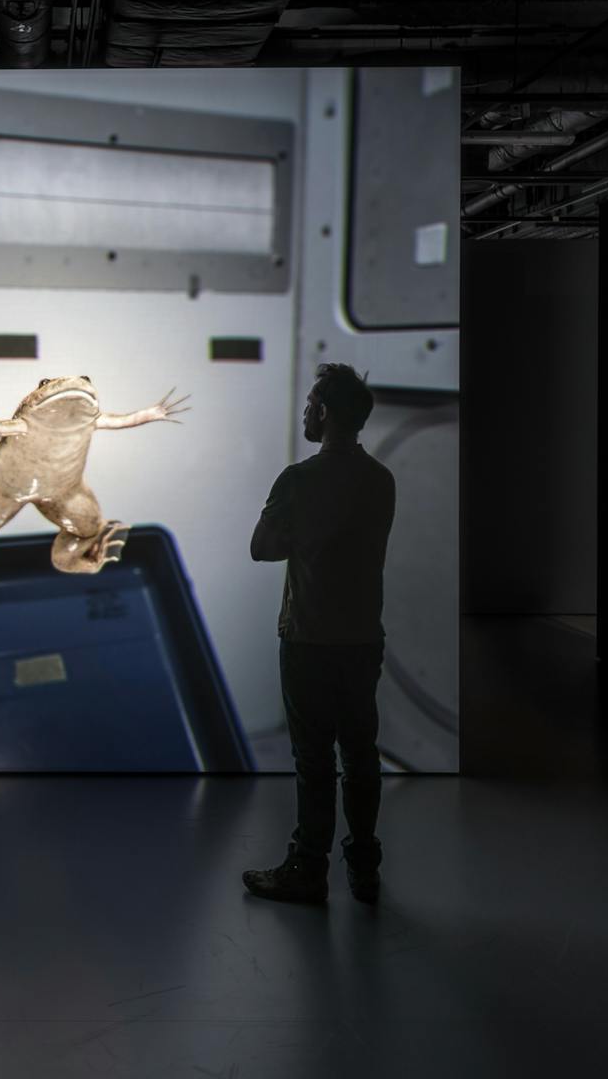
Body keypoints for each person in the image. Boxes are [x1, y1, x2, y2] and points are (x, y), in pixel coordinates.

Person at [244, 363, 396, 905]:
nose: (306, 411)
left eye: (311, 403)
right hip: (362, 639)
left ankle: (308, 868)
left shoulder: (299, 479)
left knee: (314, 762)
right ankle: (364, 868)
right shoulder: (381, 479)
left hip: (309, 638)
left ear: (325, 412)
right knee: (361, 755)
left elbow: (263, 547)